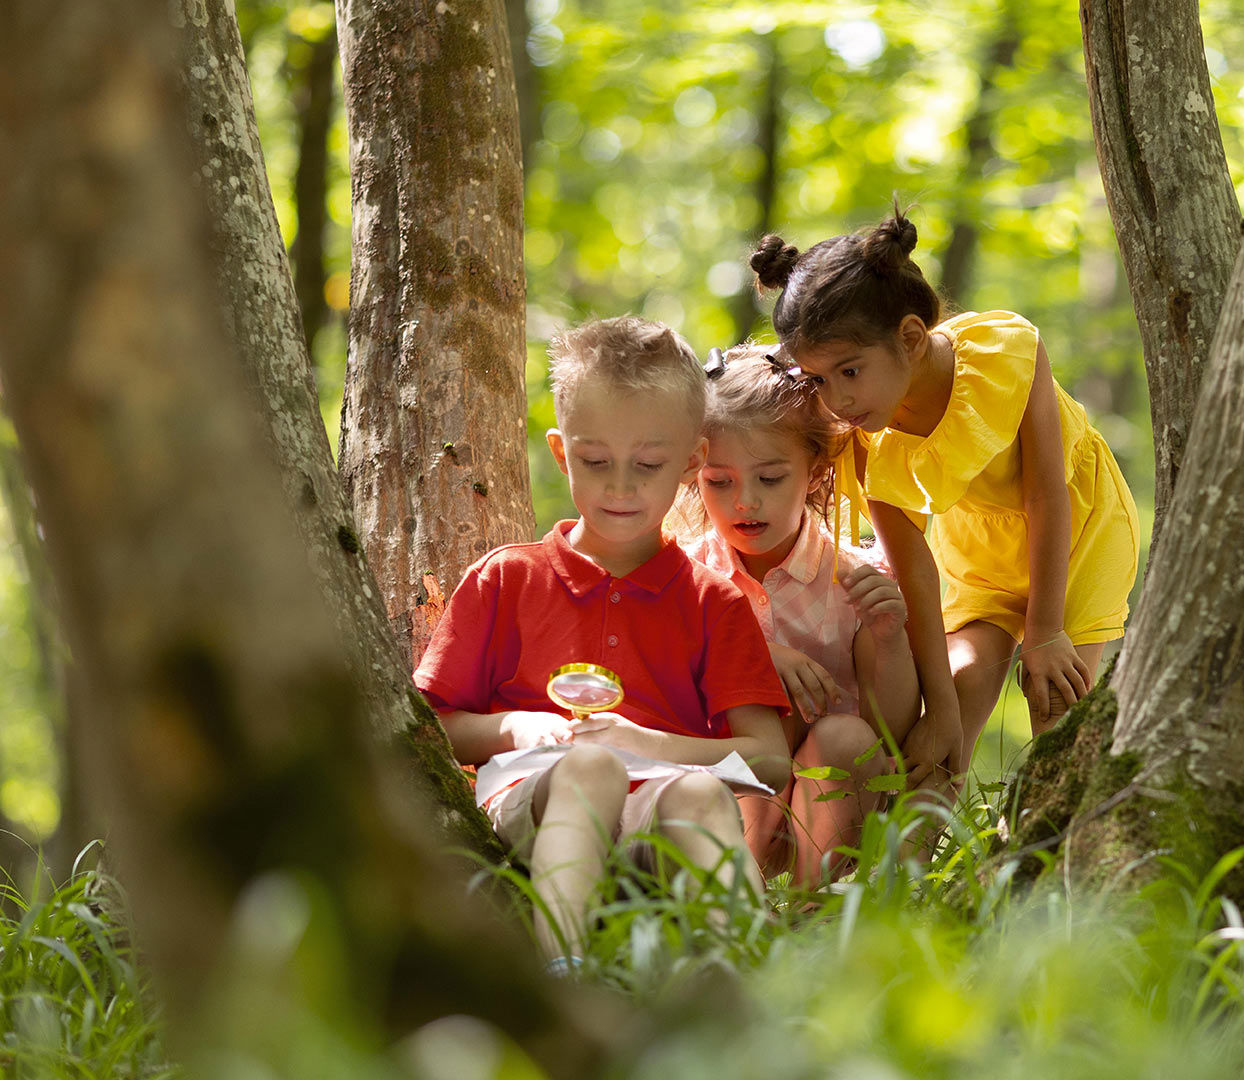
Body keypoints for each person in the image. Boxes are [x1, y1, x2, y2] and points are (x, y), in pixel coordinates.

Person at [413, 316, 791, 967]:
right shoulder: (506, 578)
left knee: (701, 794)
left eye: (648, 465)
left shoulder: (713, 602)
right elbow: (430, 729)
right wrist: (516, 728)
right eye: (595, 462)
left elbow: (770, 760)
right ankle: (565, 978)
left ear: (691, 462)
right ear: (562, 454)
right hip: (541, 792)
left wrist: (645, 743)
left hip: (658, 805)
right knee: (591, 769)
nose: (620, 487)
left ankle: (756, 986)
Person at [748, 208, 1140, 785]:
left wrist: (1045, 629)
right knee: (958, 691)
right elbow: (914, 570)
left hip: (1077, 530)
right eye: (818, 380)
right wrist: (943, 712)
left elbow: (1047, 494)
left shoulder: (1004, 353)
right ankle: (918, 841)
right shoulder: (868, 438)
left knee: (1055, 698)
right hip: (978, 549)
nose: (836, 400)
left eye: (849, 372)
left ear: (909, 338)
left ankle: (1052, 835)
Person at [681, 344, 921, 886]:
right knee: (753, 717)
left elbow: (893, 729)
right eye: (719, 481)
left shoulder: (851, 577)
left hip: (834, 803)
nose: (745, 501)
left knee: (845, 737)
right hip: (729, 806)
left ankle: (816, 906)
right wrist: (755, 658)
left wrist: (889, 639)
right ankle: (738, 897)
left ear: (814, 473)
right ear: (695, 472)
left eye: (769, 478)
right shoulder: (685, 576)